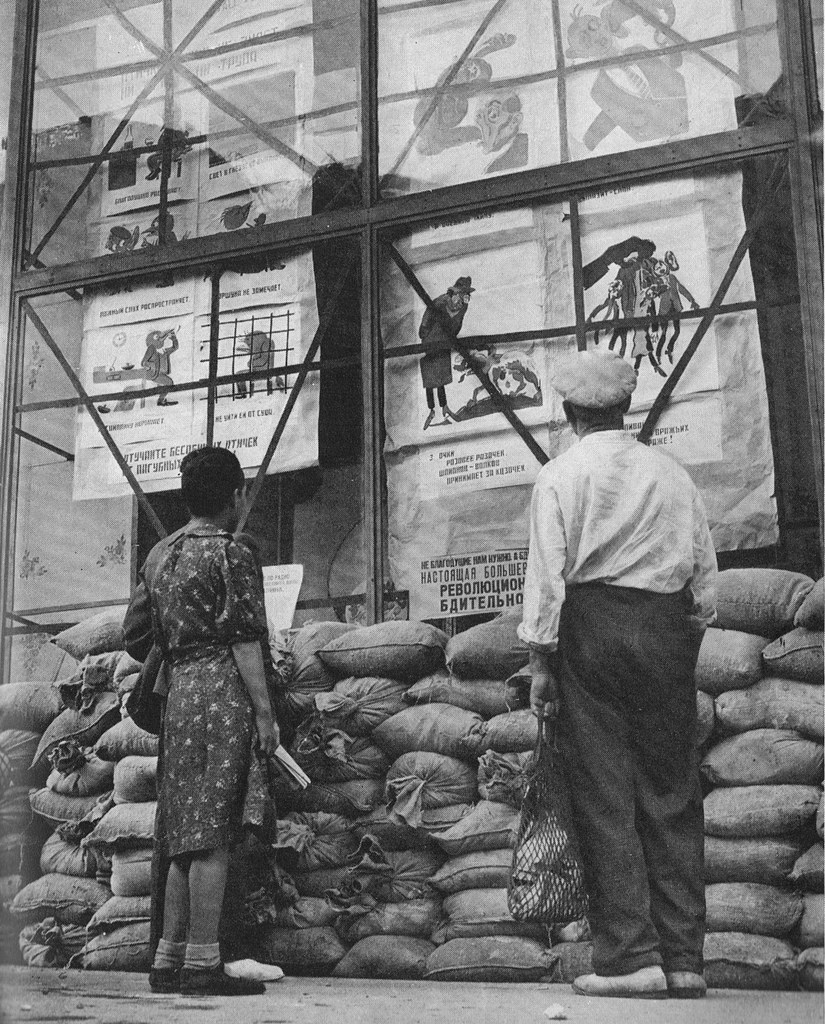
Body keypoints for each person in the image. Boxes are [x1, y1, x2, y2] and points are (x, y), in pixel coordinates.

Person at [518, 350, 717, 1000]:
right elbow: (703, 575)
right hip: (665, 629)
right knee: (671, 790)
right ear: (625, 407)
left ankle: (630, 957)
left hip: (591, 632)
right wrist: (682, 637)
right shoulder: (670, 472)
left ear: (569, 410)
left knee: (603, 794)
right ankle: (683, 960)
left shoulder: (559, 475)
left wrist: (540, 664)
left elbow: (546, 579)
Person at [130, 446, 280, 997]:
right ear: (235, 496)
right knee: (216, 831)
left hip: (179, 694)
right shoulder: (231, 553)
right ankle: (203, 963)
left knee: (182, 834)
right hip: (222, 693)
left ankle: (168, 959)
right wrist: (265, 713)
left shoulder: (160, 556)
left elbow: (141, 635)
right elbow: (244, 639)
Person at [418, 276, 474, 429]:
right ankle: (431, 410)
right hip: (430, 340)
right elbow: (427, 318)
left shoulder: (463, 307)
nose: (462, 299)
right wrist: (424, 332)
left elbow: (458, 323)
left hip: (444, 342)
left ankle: (444, 407)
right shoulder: (441, 302)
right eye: (461, 294)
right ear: (454, 293)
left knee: (442, 376)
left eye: (466, 295)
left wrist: (452, 337)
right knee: (430, 377)